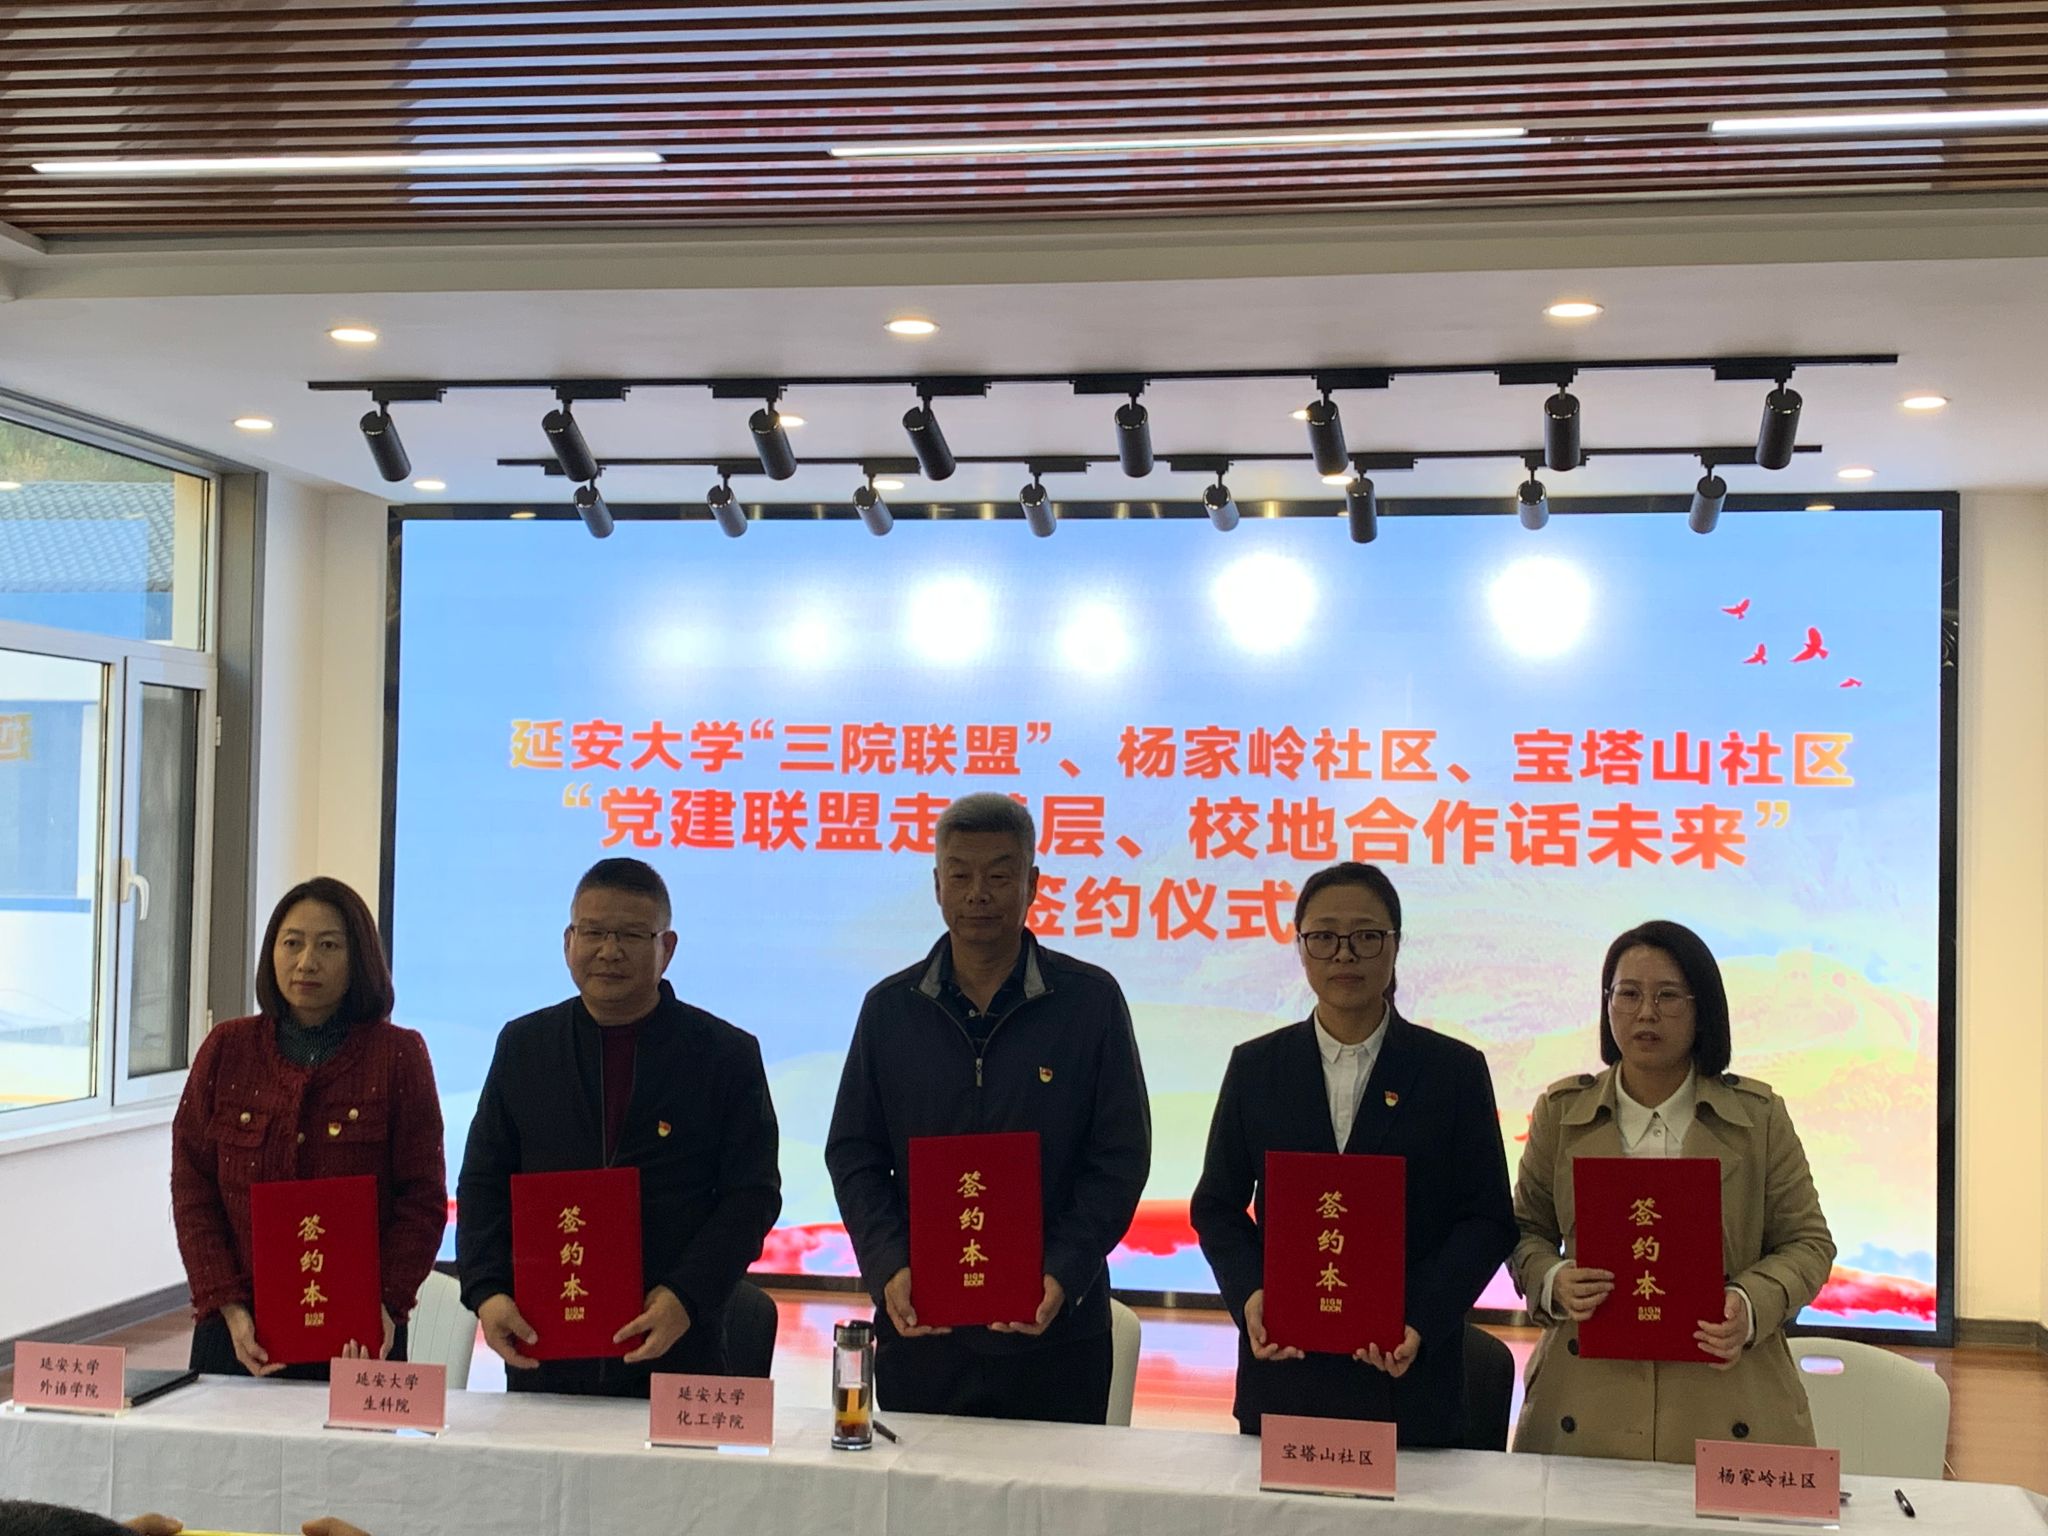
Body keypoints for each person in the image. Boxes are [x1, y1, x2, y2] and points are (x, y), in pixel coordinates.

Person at [826, 793, 1151, 1424]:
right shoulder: (890, 1009)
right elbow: (853, 1153)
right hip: (923, 1331)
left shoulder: (1090, 1003)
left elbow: (1120, 1157)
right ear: (937, 886)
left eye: (1000, 876)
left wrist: (1063, 1271)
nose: (978, 894)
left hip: (1056, 1336)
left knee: (1054, 1489)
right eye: (960, 875)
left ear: (1032, 884)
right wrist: (888, 1265)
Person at [1190, 861, 1516, 1444]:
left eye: (1366, 936)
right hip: (1285, 1373)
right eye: (1324, 936)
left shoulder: (1453, 1071)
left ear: (1396, 945)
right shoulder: (1256, 1067)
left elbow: (1487, 1218)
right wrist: (1251, 1296)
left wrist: (1420, 1319)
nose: (1344, 954)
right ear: (1300, 947)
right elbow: (1216, 1205)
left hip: (1408, 1379)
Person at [1509, 919, 1837, 1461]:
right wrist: (1552, 1279)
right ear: (1607, 1004)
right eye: (1628, 994)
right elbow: (1524, 1231)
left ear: (1702, 1008)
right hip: (1587, 1396)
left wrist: (1749, 1305)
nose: (1646, 1013)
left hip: (1727, 1393)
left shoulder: (1758, 1118)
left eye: (1667, 996)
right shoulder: (1561, 1113)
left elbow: (1809, 1243)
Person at [456, 857, 781, 1396]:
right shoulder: (524, 1047)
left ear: (666, 948)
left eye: (631, 935)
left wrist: (684, 1296)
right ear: (568, 942)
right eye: (593, 933)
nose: (609, 951)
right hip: (545, 1350)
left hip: (677, 1350)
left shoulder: (725, 1056)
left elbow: (752, 1197)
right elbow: (483, 1181)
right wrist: (487, 1292)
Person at [170, 877, 445, 1380]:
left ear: (359, 957)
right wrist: (227, 1303)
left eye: (328, 946)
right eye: (292, 943)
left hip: (361, 1333)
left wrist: (387, 1303)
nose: (306, 962)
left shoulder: (398, 1056)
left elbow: (422, 1198)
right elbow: (193, 1187)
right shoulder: (227, 1049)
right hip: (236, 1330)